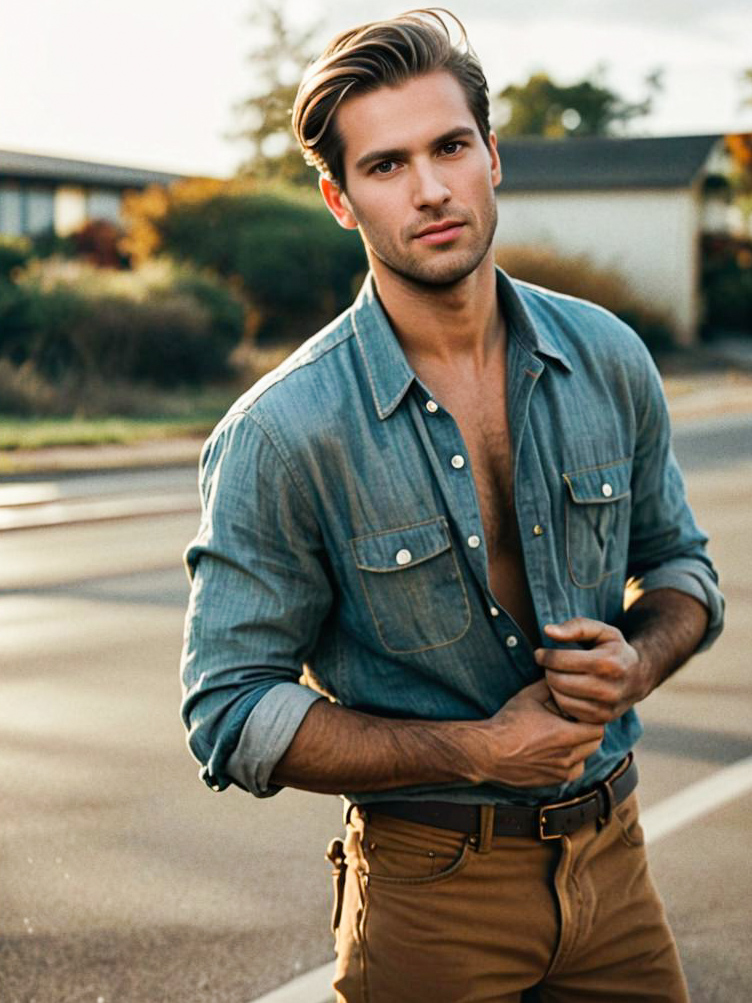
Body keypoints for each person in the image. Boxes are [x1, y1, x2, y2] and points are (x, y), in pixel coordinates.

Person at [180, 9, 724, 1002]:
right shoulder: (282, 432)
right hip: (434, 895)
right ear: (339, 200)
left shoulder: (605, 358)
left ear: (491, 158)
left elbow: (682, 568)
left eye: (449, 147)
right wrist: (473, 748)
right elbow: (229, 707)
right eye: (385, 166)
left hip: (614, 861)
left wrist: (634, 660)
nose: (429, 188)